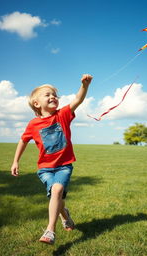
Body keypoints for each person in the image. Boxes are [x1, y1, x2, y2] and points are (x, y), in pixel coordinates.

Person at [10, 74, 93, 245]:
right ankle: (66, 215)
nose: (53, 97)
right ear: (36, 104)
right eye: (47, 94)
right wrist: (15, 161)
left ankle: (50, 230)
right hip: (45, 169)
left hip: (64, 166)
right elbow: (23, 140)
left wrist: (85, 85)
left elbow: (78, 99)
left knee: (56, 191)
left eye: (54, 95)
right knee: (56, 196)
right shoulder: (33, 124)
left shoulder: (62, 115)